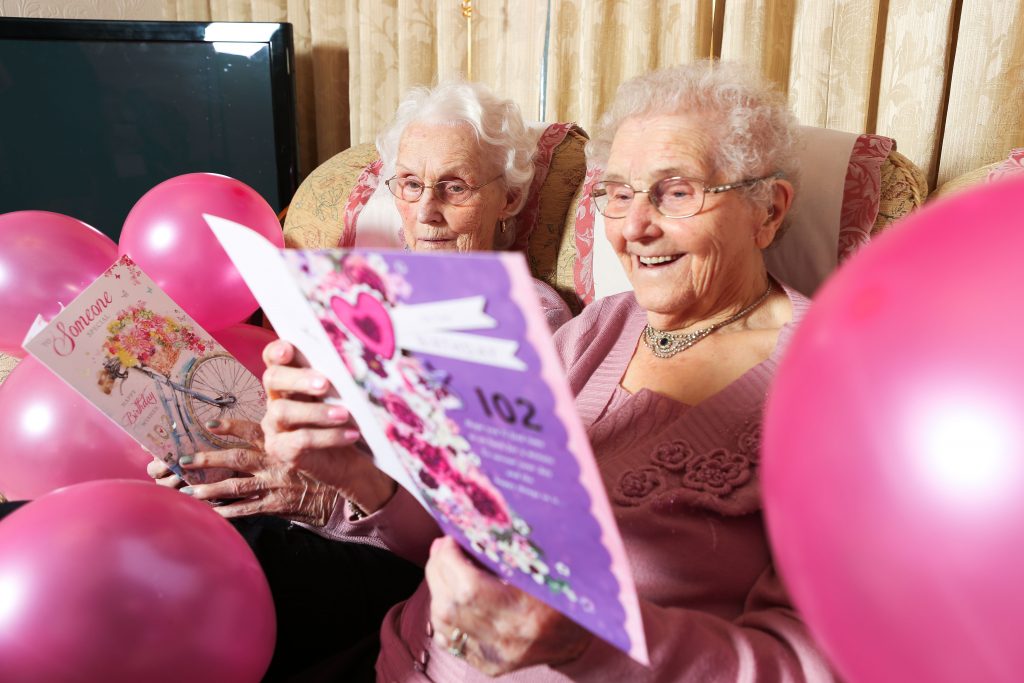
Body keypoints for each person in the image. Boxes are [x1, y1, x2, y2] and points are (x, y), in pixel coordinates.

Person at [258, 60, 841, 681]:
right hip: (399, 659)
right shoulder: (598, 329)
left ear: (769, 211)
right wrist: (356, 479)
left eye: (676, 192)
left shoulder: (827, 392)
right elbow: (468, 527)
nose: (635, 228)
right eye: (618, 194)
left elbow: (809, 666)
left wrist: (584, 644)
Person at [146, 80, 574, 680]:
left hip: (385, 563)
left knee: (155, 571)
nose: (427, 211)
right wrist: (217, 454)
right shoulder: (350, 292)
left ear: (507, 199)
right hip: (287, 518)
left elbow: (487, 514)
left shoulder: (525, 316)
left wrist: (321, 500)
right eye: (411, 184)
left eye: (455, 187)